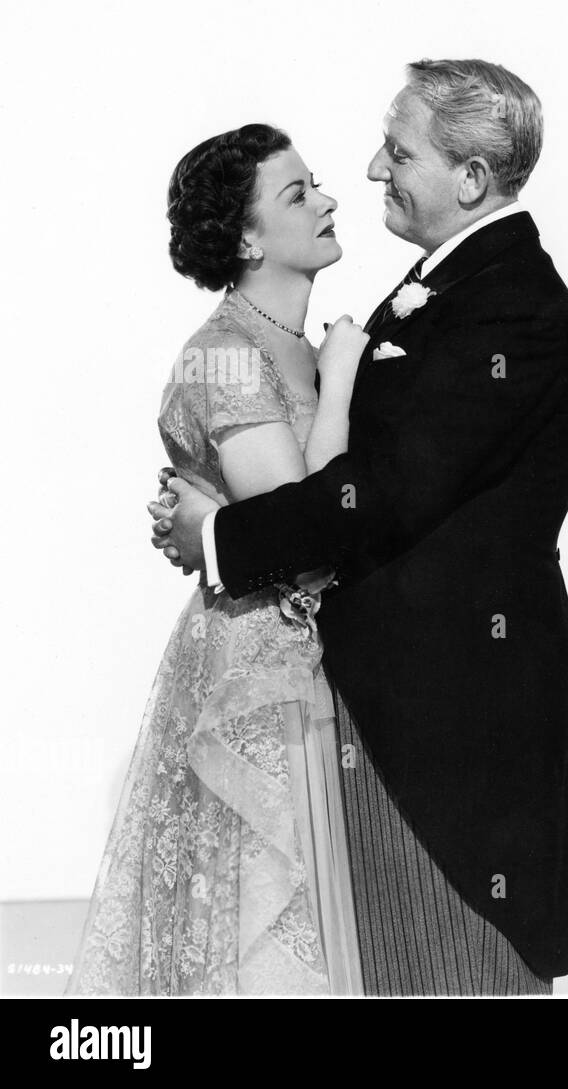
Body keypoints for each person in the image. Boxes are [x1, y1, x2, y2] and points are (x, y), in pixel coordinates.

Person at [149, 60, 568, 995]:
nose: (370, 171)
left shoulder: (511, 303)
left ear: (471, 179)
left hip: (454, 718)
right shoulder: (443, 287)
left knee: (460, 970)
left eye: (398, 151)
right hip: (386, 710)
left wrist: (220, 538)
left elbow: (382, 491)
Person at [70, 123, 367, 994]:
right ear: (245, 239)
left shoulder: (298, 344)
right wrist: (344, 377)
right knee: (264, 936)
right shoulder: (226, 354)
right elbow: (299, 533)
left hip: (313, 670)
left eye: (316, 184)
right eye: (298, 193)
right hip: (258, 676)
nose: (328, 200)